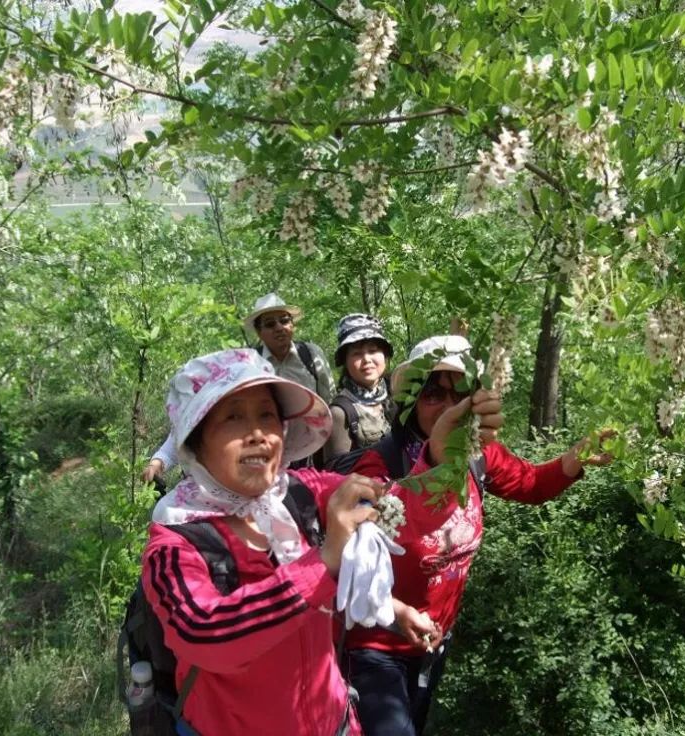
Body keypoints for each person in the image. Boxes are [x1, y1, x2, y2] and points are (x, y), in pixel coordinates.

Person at [139, 347, 497, 736]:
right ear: (195, 440)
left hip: (336, 722)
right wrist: (323, 562)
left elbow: (397, 509)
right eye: (233, 417)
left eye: (267, 415)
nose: (258, 433)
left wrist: (443, 461)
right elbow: (206, 634)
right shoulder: (176, 544)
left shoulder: (298, 495)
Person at [341, 335, 616, 736]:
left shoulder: (480, 455)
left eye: (461, 393)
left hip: (434, 640)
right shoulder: (379, 463)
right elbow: (364, 537)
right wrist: (434, 459)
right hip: (376, 643)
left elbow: (532, 484)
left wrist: (575, 457)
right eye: (433, 392)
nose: (449, 405)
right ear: (412, 402)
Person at [142, 292, 334, 481]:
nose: (279, 328)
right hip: (261, 459)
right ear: (259, 332)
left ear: (292, 324)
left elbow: (328, 404)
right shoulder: (247, 366)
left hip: (310, 453)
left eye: (284, 320)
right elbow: (194, 420)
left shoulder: (311, 356)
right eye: (269, 324)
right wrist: (160, 461)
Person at [324, 313, 396, 464]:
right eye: (357, 353)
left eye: (373, 351)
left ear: (385, 355)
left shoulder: (398, 394)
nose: (367, 360)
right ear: (345, 362)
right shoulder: (340, 413)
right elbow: (337, 474)